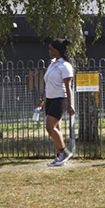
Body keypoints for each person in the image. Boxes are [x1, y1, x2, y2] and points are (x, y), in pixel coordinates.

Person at [35, 39, 76, 167]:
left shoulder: (65, 66)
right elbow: (49, 83)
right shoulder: (53, 64)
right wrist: (43, 98)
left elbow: (68, 86)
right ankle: (59, 157)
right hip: (51, 99)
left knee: (50, 127)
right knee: (56, 128)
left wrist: (70, 104)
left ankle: (64, 152)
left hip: (60, 99)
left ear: (57, 50)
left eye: (51, 48)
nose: (49, 51)